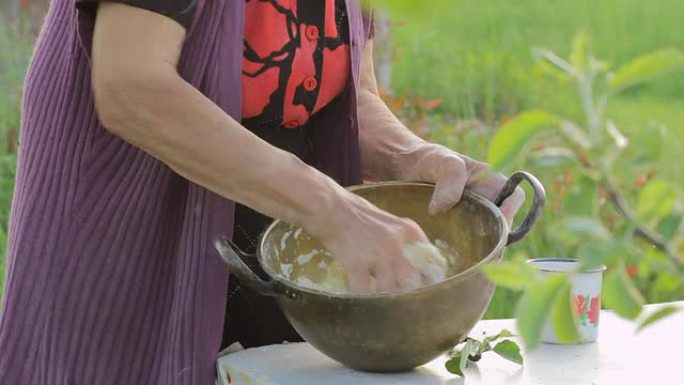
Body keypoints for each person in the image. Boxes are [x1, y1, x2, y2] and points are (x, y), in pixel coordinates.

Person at [0, 1, 524, 384]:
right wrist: (338, 212)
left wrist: (414, 156)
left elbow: (343, 90)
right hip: (132, 243)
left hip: (273, 234)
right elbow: (131, 88)